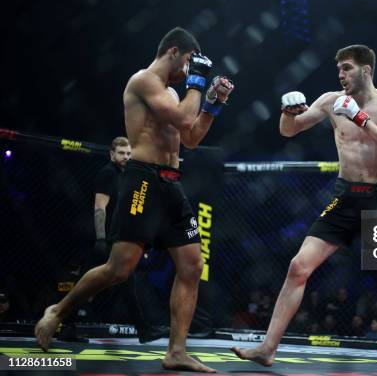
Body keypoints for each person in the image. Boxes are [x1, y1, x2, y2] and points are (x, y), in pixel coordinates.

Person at [231, 44, 377, 375]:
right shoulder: (329, 101)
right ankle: (267, 349)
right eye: (338, 68)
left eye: (346, 68)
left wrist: (360, 118)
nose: (340, 74)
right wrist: (287, 110)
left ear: (366, 70)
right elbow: (289, 130)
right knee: (298, 267)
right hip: (345, 197)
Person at [35, 26, 234, 372]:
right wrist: (199, 82)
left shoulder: (174, 95)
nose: (189, 72)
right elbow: (187, 114)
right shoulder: (142, 81)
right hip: (143, 180)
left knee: (192, 265)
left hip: (172, 184)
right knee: (119, 269)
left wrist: (213, 105)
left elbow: (191, 137)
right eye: (189, 63)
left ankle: (176, 351)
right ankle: (57, 311)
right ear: (173, 51)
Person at [92, 136, 169, 343]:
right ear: (112, 154)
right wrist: (101, 239)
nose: (126, 157)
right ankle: (64, 321)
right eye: (121, 153)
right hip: (108, 239)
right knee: (94, 283)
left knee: (124, 285)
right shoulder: (108, 173)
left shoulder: (128, 175)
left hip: (121, 237)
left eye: (128, 153)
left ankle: (143, 329)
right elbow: (100, 207)